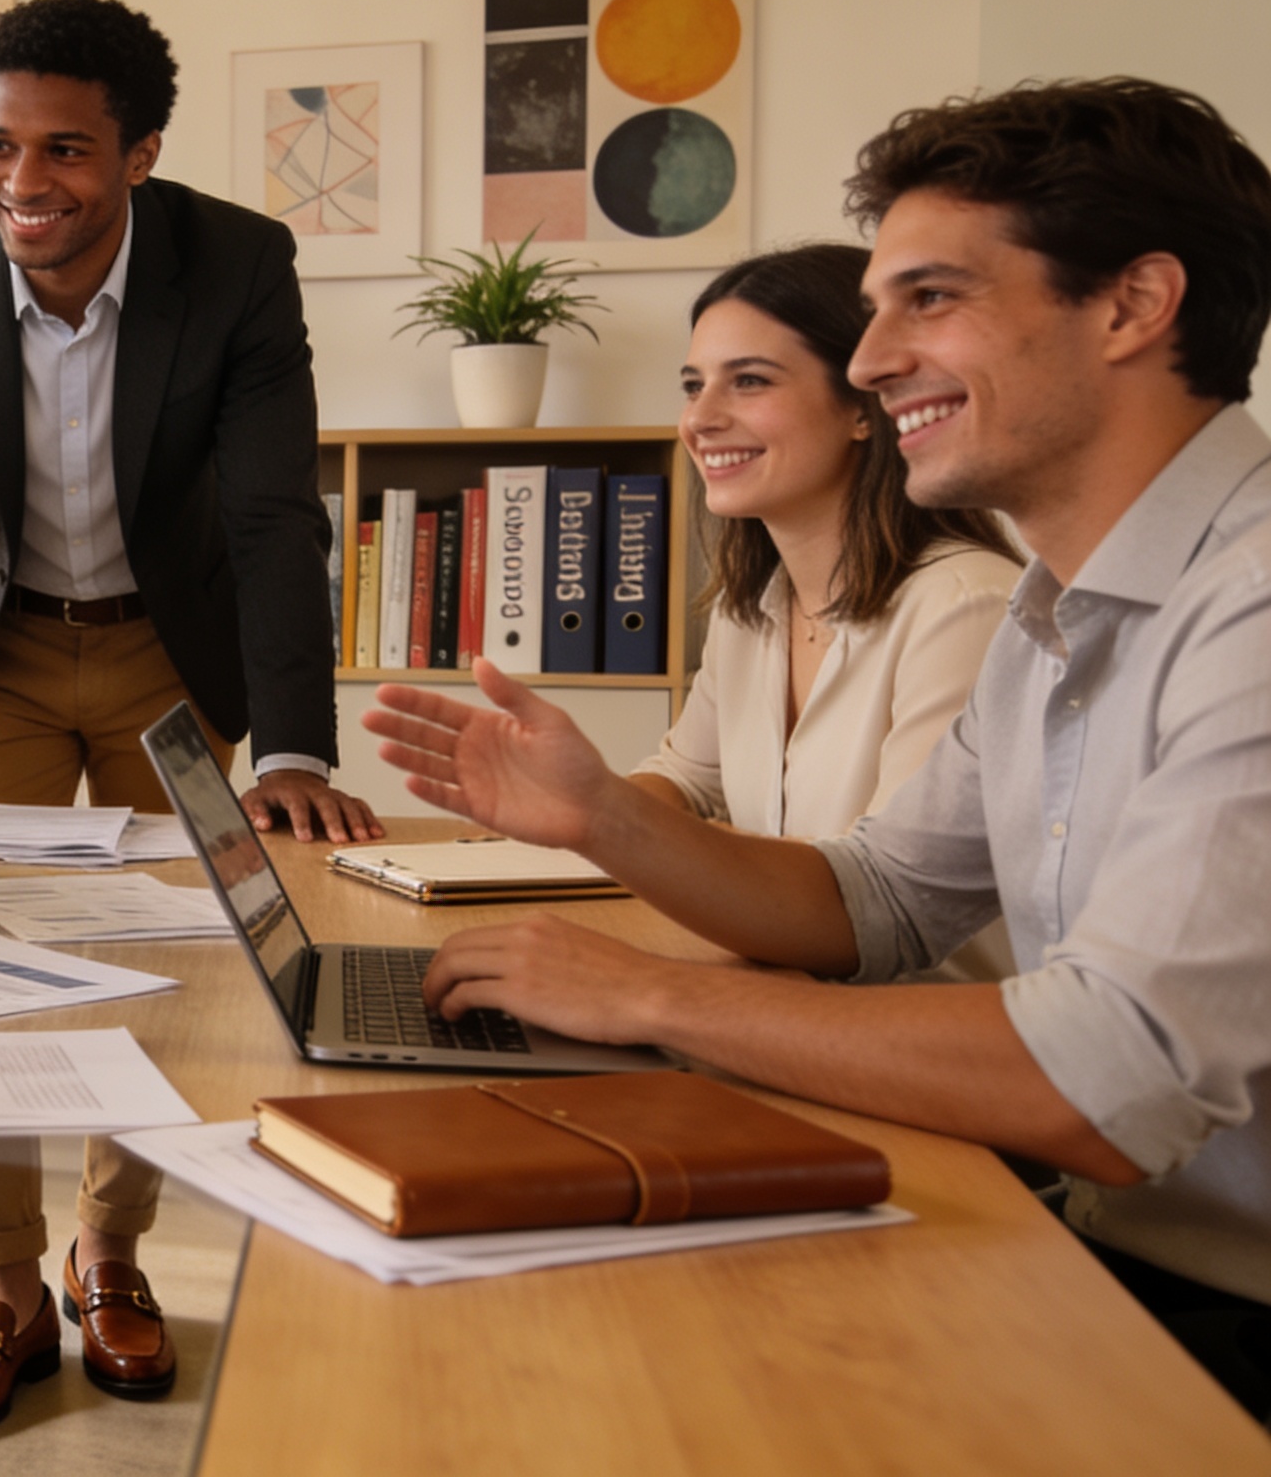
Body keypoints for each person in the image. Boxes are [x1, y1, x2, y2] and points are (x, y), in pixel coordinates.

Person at [364, 77, 1271, 1415]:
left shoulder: (1246, 603)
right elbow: (876, 902)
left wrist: (652, 995)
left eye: (932, 298)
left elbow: (1109, 1077)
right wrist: (605, 816)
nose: (867, 357)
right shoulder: (1051, 614)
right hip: (1109, 1248)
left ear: (1135, 305)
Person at [0, 0, 380, 1438]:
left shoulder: (237, 264)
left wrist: (295, 743)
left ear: (140, 155)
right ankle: (1, 1280)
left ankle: (108, 1251)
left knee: (156, 960)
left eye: (64, 151)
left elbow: (266, 514)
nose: (23, 183)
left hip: (168, 652)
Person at [633, 243, 1021, 980]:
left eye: (748, 381)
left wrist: (598, 817)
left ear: (863, 409)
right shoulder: (753, 609)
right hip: (787, 1006)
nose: (700, 420)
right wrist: (559, 803)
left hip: (914, 1043)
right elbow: (686, 780)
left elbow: (885, 901)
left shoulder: (966, 608)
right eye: (693, 385)